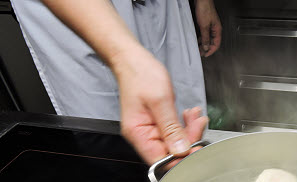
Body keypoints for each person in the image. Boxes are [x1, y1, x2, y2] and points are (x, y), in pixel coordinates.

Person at [11, 0, 222, 165]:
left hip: (165, 6)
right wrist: (125, 59)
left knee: (186, 115)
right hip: (74, 11)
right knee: (109, 142)